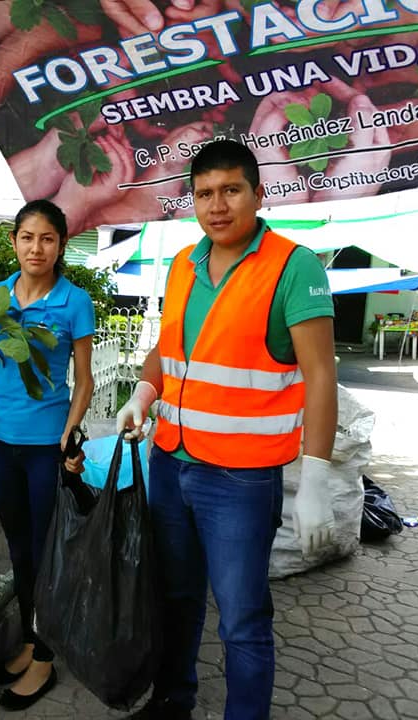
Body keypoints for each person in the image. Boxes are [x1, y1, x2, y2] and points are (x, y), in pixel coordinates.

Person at [116, 139, 338, 720]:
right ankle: (173, 701)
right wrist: (144, 392)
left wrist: (316, 478)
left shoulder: (294, 266)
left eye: (231, 191)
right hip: (171, 461)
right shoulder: (183, 264)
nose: (217, 205)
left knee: (241, 617)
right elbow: (167, 353)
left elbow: (320, 375)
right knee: (177, 599)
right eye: (204, 193)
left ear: (258, 195)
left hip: (239, 480)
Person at [0, 200, 95, 711]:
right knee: (18, 549)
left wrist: (70, 434)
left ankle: (46, 657)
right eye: (28, 237)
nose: (37, 248)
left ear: (61, 246)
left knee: (46, 551)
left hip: (45, 448)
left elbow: (85, 380)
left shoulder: (75, 302)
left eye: (48, 239)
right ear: (14, 241)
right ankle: (32, 640)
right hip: (1, 442)